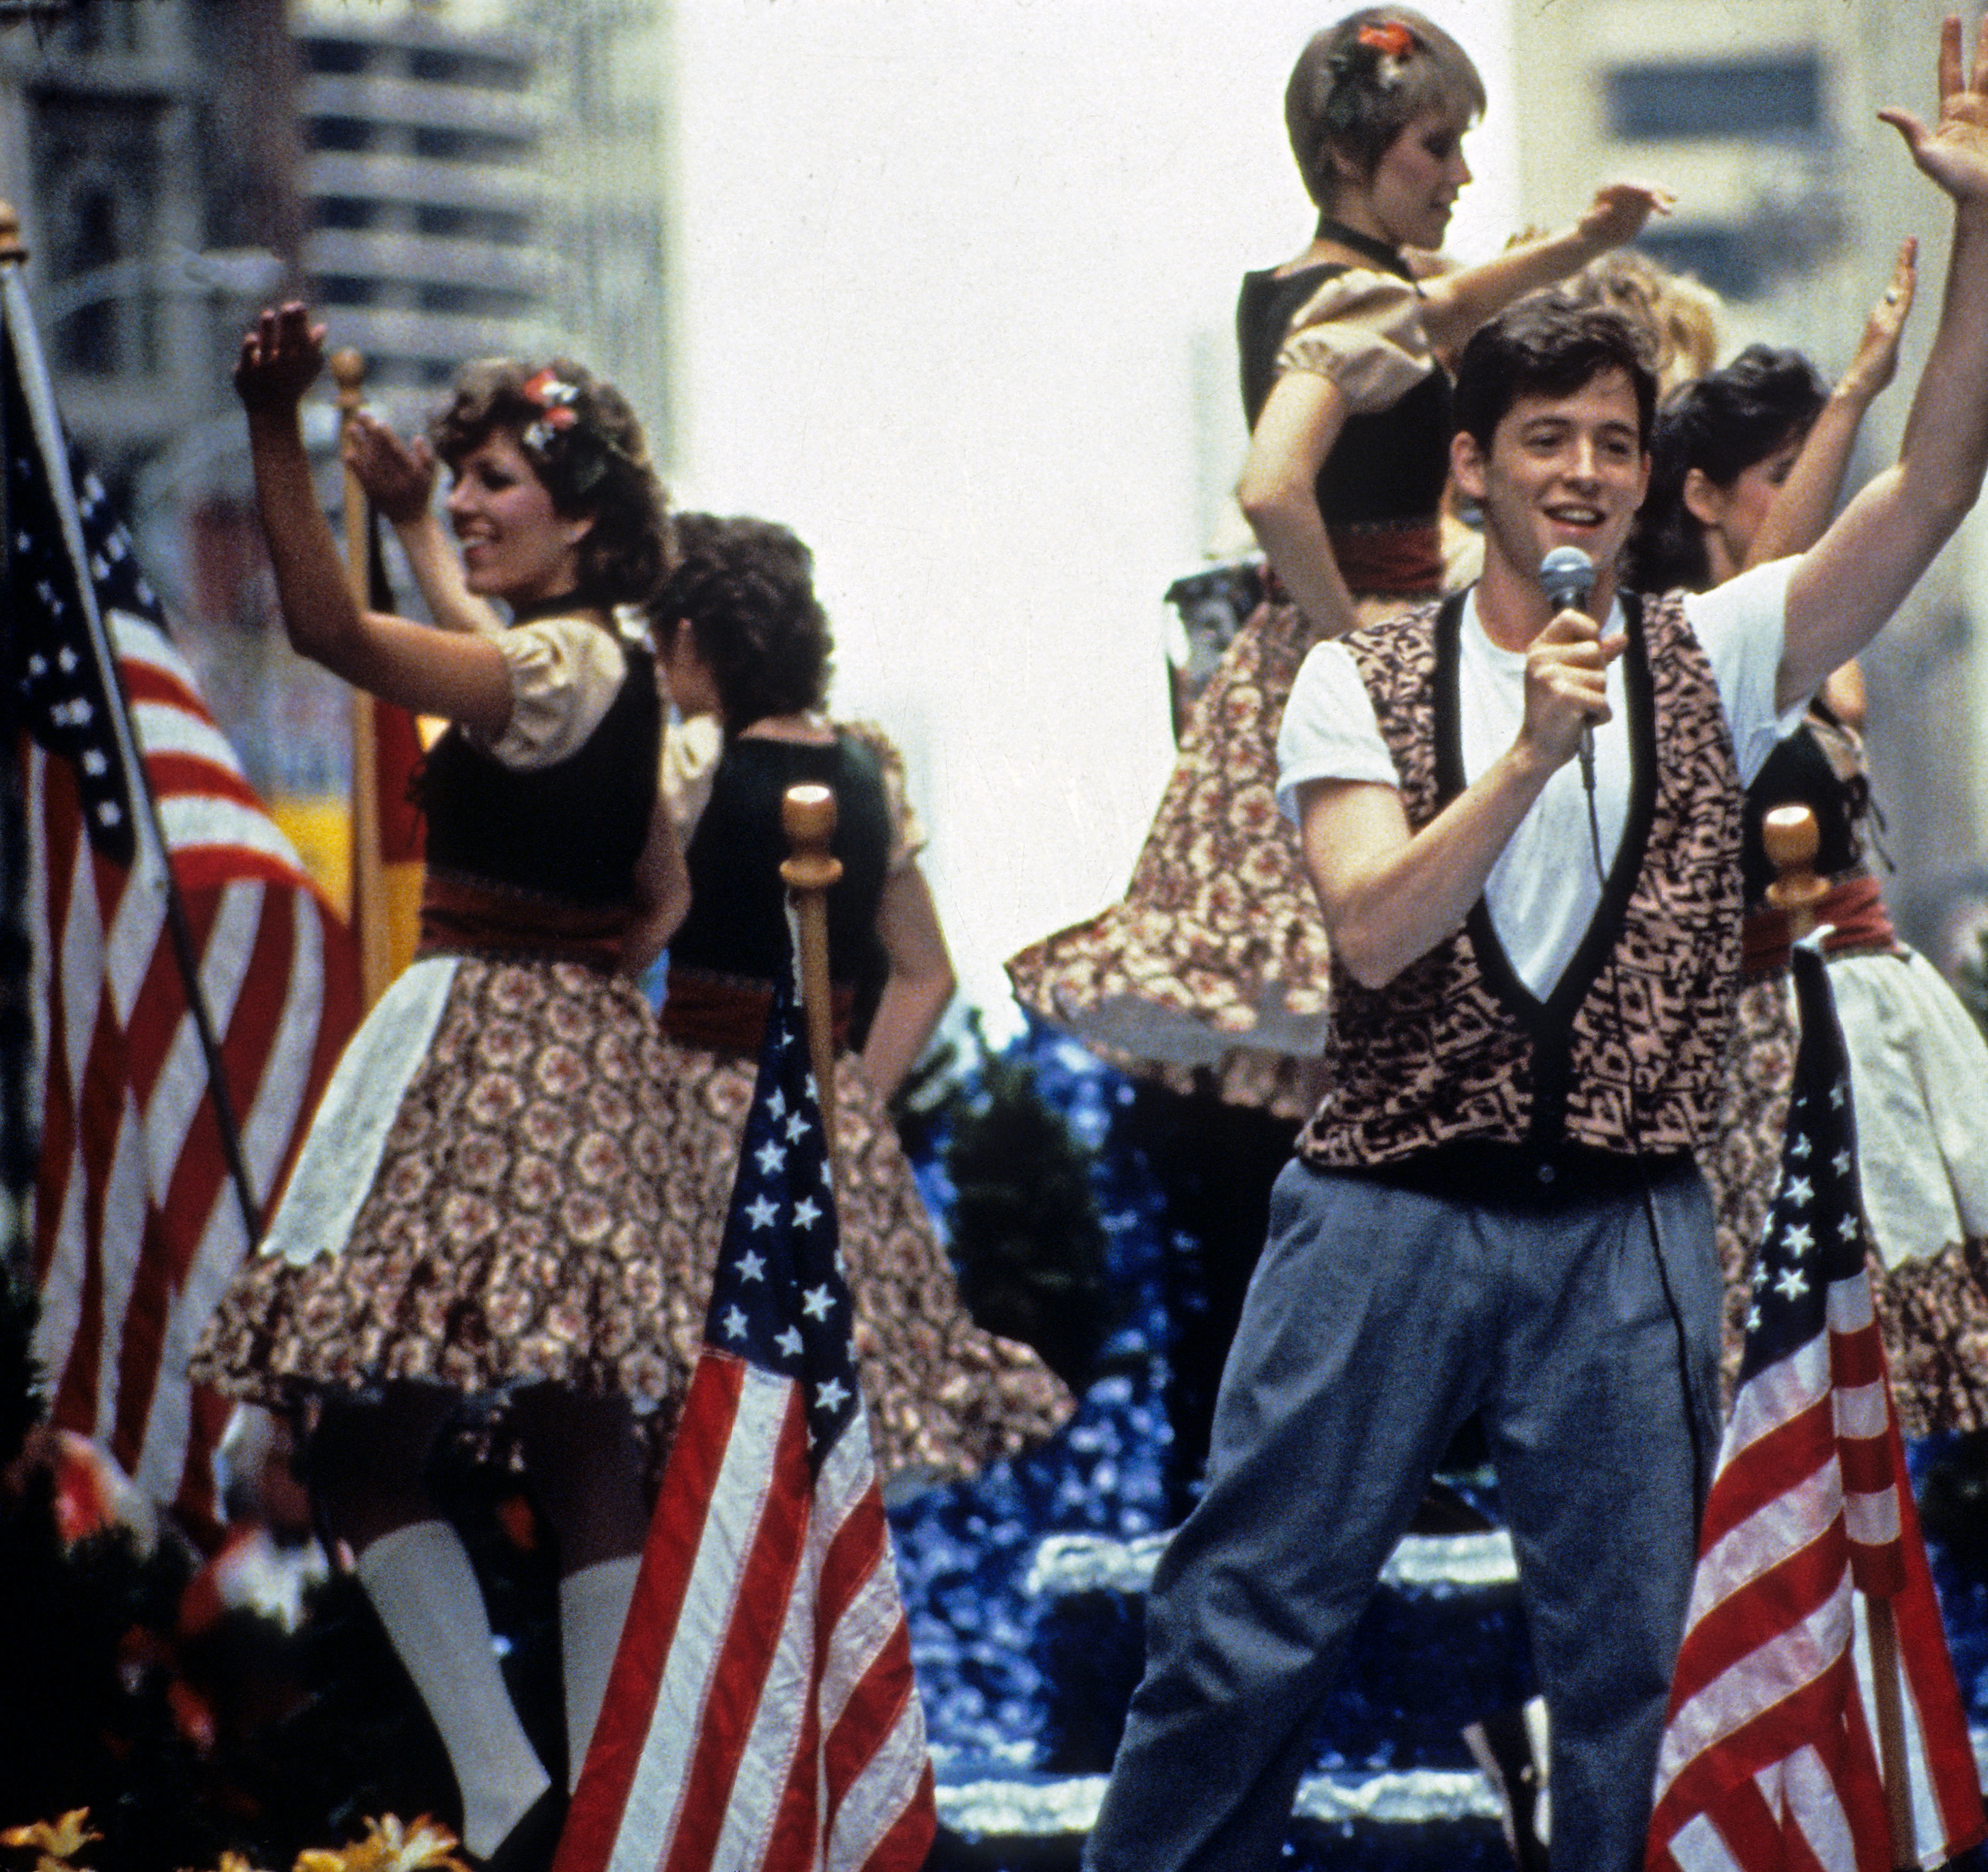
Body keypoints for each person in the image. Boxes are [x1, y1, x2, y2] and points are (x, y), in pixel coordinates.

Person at [1083, 18, 1988, 1867]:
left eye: (1618, 440)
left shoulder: (1718, 653)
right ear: (1474, 465)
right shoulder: (1351, 680)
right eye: (1552, 440)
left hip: (1622, 1221)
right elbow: (1376, 927)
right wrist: (1531, 749)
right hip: (1384, 1217)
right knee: (1242, 1636)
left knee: (1638, 1676)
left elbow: (1929, 491)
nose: (1593, 472)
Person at [1005, 3, 1671, 1503]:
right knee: (1384, 1031)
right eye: (1438, 148)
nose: (1453, 176)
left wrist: (1573, 242)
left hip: (1363, 648)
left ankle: (1357, 1420)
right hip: (1361, 656)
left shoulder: (1341, 286)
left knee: (1362, 1056)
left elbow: (1455, 292)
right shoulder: (1350, 309)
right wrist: (1347, 643)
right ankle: (1382, 1427)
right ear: (1359, 153)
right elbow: (1266, 483)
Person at [190, 305, 696, 1866]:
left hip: (483, 1054)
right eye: (464, 480)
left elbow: (333, 636)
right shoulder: (613, 673)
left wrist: (272, 428)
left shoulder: (551, 660)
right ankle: (608, 1806)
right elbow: (660, 893)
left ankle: (506, 1790)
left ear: (585, 512)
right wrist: (413, 515)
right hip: (582, 1058)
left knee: (359, 1441)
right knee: (581, 1433)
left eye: (494, 482)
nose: (472, 503)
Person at [1635, 318, 1988, 1428]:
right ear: (1703, 496)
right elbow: (1770, 598)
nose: (1822, 501)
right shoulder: (1685, 649)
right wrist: (1852, 395)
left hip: (1873, 1008)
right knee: (1793, 1395)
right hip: (1769, 1034)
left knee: (1895, 1390)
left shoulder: (1816, 648)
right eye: (1787, 477)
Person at [642, 513, 1074, 1482]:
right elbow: (926, 971)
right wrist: (848, 1108)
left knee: (704, 1429)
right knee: (833, 1425)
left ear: (688, 640)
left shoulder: (697, 764)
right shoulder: (866, 765)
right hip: (825, 1116)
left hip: (702, 1105)